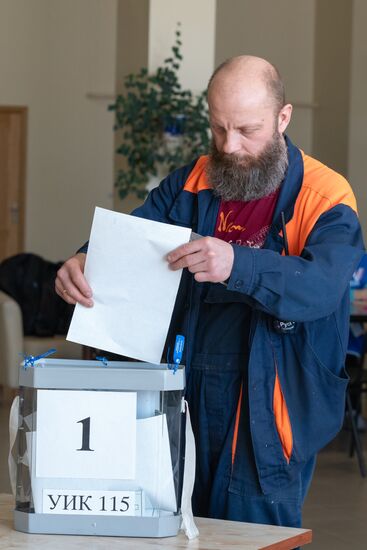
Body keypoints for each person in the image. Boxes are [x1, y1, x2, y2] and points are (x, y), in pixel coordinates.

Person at [56, 56, 364, 528]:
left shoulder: (326, 197)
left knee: (252, 537)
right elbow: (132, 239)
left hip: (266, 413)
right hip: (182, 400)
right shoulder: (190, 183)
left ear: (283, 118)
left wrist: (237, 263)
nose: (230, 145)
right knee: (170, 531)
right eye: (218, 129)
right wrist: (84, 260)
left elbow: (320, 288)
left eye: (246, 129)